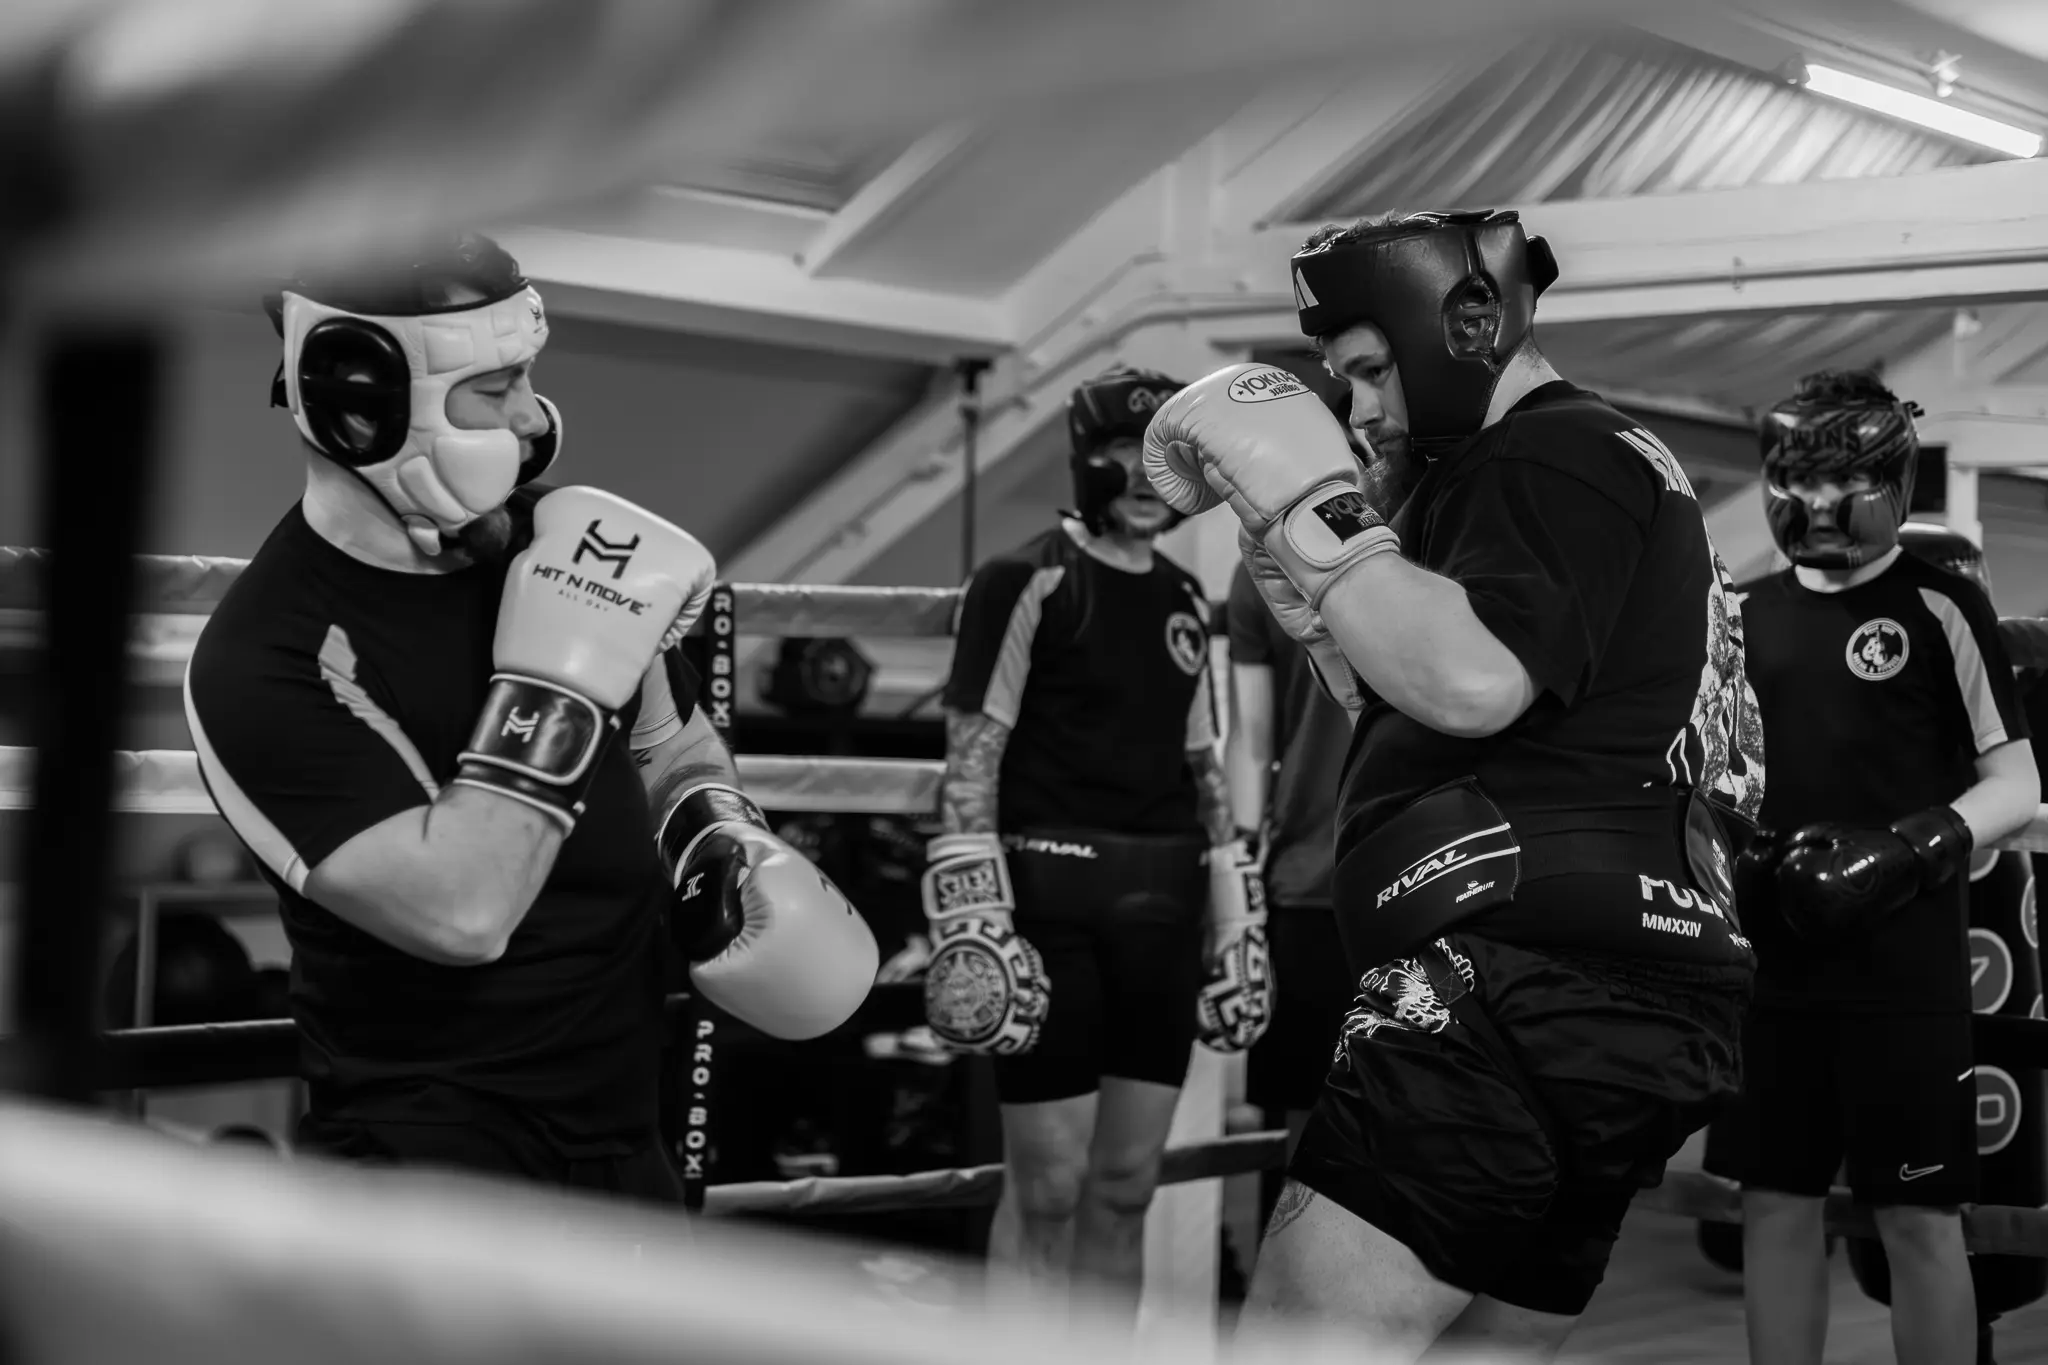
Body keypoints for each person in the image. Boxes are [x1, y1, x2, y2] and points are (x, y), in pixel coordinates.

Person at [1145, 208, 1765, 1362]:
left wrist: (1313, 514)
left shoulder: (1545, 449)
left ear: (1465, 321)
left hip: (1517, 984)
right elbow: (1480, 708)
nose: (1361, 408)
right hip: (1628, 991)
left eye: (1371, 370)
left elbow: (1473, 685)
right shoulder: (1609, 466)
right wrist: (1341, 627)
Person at [183, 232, 878, 1199]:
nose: (533, 418)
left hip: (628, 1129)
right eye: (495, 386)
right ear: (366, 399)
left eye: (527, 377)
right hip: (434, 1173)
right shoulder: (269, 656)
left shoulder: (559, 540)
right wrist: (561, 676)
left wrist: (707, 824)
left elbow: (670, 735)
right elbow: (462, 909)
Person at [920, 364, 1273, 1316]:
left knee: (1125, 1188)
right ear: (1086, 459)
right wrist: (974, 909)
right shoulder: (1026, 579)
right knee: (1049, 1188)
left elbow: (1206, 765)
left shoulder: (1182, 601)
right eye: (1123, 453)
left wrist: (1235, 910)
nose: (1142, 478)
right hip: (1049, 904)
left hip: (1163, 905)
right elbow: (972, 752)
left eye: (1160, 460)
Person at [1722, 370, 2038, 1365]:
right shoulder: (1735, 610)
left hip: (1904, 975)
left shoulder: (1940, 608)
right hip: (1770, 970)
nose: (1816, 506)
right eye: (1796, 481)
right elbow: (1715, 770)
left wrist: (1902, 851)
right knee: (1772, 1207)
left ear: (1890, 483)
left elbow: (2015, 782)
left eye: (1842, 481)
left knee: (1916, 1216)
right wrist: (1737, 855)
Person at [1223, 388, 1358, 1223]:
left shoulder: (1434, 547)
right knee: (1308, 1132)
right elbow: (1251, 739)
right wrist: (1239, 878)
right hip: (1307, 879)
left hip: (1426, 872)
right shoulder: (1261, 567)